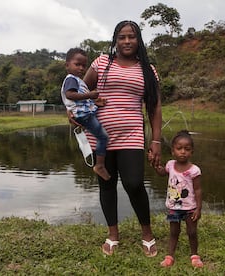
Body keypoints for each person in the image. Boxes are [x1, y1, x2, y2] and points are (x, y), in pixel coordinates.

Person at [80, 20, 162, 256]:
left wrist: (156, 141)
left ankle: (147, 233)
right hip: (100, 135)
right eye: (122, 37)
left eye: (132, 37)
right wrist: (83, 106)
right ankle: (113, 234)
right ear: (116, 40)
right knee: (106, 184)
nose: (127, 41)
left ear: (139, 40)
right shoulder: (102, 63)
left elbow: (154, 108)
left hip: (132, 134)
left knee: (134, 183)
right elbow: (80, 91)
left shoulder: (148, 70)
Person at [152, 130, 203, 268]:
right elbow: (162, 173)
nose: (183, 152)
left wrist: (198, 208)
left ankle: (195, 256)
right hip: (174, 208)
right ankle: (170, 256)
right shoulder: (170, 165)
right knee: (174, 232)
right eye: (179, 148)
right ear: (173, 151)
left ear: (192, 151)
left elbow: (198, 190)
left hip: (190, 208)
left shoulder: (194, 170)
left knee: (192, 232)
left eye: (187, 149)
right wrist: (155, 165)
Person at [61, 48, 111, 181]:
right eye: (77, 64)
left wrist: (95, 101)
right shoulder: (71, 79)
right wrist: (89, 94)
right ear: (67, 65)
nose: (81, 68)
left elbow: (82, 100)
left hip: (84, 114)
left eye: (84, 65)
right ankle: (99, 165)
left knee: (101, 137)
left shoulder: (78, 81)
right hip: (83, 115)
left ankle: (99, 163)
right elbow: (70, 95)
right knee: (103, 137)